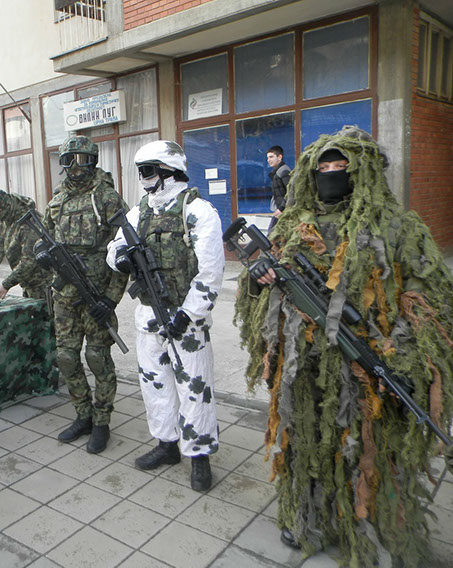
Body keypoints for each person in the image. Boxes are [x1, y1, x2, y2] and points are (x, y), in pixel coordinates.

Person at [235, 126, 453, 567]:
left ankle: (387, 526)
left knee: (375, 450)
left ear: (363, 172)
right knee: (305, 445)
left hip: (369, 363)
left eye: (342, 167)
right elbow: (255, 288)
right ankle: (310, 519)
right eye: (324, 168)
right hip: (304, 368)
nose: (332, 174)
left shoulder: (396, 226)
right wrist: (258, 276)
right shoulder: (293, 224)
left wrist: (400, 352)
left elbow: (428, 298)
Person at [106, 140, 225, 492]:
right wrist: (121, 259)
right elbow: (114, 248)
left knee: (195, 388)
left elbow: (210, 272)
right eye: (140, 171)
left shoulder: (198, 211)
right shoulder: (138, 213)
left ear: (169, 171)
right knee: (155, 384)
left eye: (148, 171)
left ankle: (199, 456)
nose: (143, 178)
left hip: (186, 320)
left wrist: (188, 314)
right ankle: (167, 444)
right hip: (149, 316)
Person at [38, 135, 128, 454]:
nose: (75, 168)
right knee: (66, 357)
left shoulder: (107, 198)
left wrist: (111, 298)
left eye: (82, 160)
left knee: (97, 358)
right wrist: (42, 253)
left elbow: (126, 252)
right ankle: (83, 415)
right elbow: (45, 238)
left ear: (93, 161)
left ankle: (102, 422)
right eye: (68, 160)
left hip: (97, 294)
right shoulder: (57, 201)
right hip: (64, 295)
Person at [0, 189, 51, 300]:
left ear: (6, 206)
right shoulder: (4, 218)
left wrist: (6, 284)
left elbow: (29, 260)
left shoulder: (29, 222)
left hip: (42, 282)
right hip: (26, 281)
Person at [266, 145, 291, 231]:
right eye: (268, 158)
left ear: (280, 157)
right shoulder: (278, 172)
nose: (268, 160)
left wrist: (281, 208)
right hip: (281, 211)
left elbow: (291, 192)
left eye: (271, 157)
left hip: (284, 212)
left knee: (272, 235)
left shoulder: (284, 171)